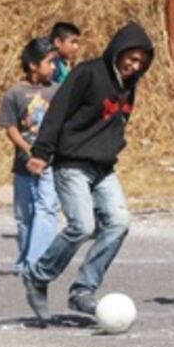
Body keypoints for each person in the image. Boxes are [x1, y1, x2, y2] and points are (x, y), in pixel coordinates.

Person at [20, 22, 154, 323]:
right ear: (118, 50)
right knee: (81, 226)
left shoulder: (129, 86)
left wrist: (114, 145)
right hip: (71, 163)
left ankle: (83, 290)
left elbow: (116, 124)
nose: (134, 66)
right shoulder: (88, 73)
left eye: (141, 63)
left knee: (119, 223)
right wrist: (41, 152)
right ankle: (37, 276)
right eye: (131, 58)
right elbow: (58, 111)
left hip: (103, 168)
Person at [0, 37, 61, 274]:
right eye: (49, 62)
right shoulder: (14, 94)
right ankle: (25, 261)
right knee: (25, 216)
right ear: (33, 65)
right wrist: (28, 149)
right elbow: (10, 128)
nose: (53, 67)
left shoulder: (56, 91)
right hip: (23, 164)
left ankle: (36, 263)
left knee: (47, 209)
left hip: (50, 162)